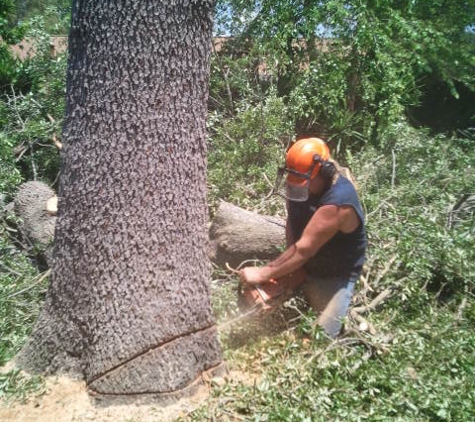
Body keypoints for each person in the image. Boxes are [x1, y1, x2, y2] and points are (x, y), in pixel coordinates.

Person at [239, 137, 366, 338]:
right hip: (306, 257)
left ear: (324, 173)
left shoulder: (339, 202)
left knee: (320, 338)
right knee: (256, 296)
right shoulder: (297, 180)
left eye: (302, 181)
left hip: (335, 272)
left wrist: (263, 273)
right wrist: (292, 267)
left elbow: (304, 249)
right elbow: (293, 221)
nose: (297, 186)